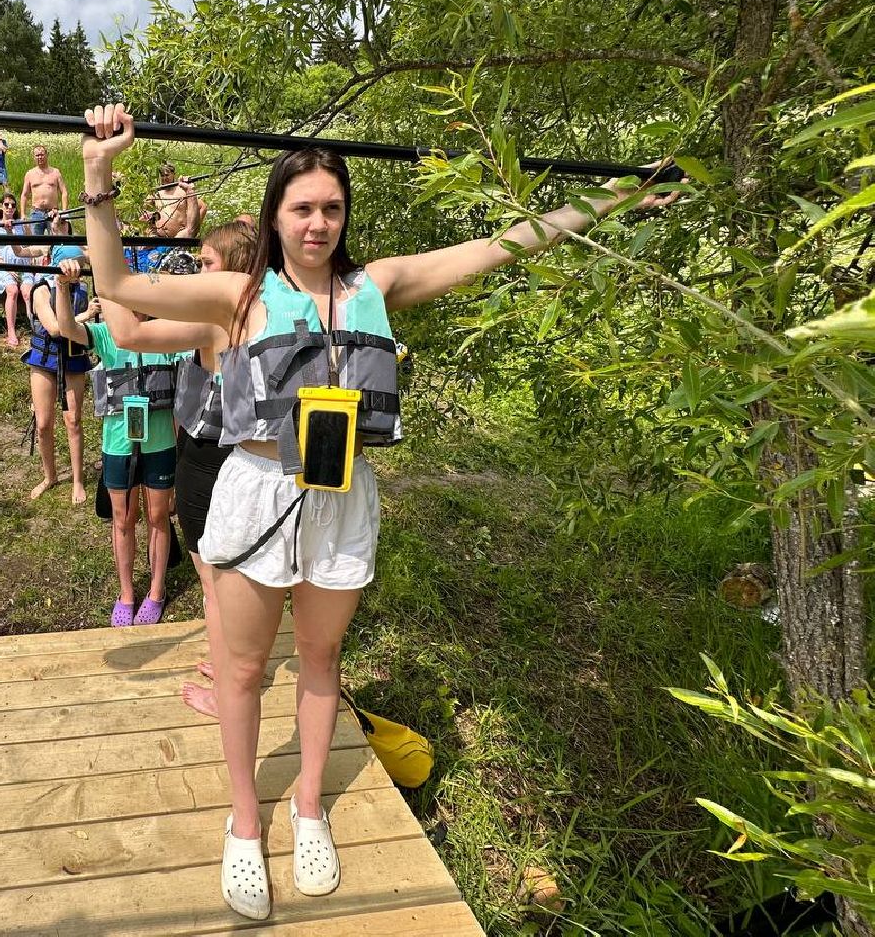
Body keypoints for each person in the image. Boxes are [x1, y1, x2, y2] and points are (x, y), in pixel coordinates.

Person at [76, 102, 677, 920]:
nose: (318, 223)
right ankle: (245, 823)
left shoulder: (376, 285)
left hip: (340, 497)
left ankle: (309, 809)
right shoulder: (236, 294)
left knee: (321, 664)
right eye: (301, 208)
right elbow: (115, 287)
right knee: (246, 671)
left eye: (331, 207)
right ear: (275, 215)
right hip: (256, 493)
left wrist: (612, 197)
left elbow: (501, 247)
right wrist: (99, 177)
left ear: (345, 212)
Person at [101, 222, 257, 718]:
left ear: (233, 273)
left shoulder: (221, 320)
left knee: (214, 574)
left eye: (208, 264)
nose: (197, 273)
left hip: (214, 456)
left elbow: (129, 328)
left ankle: (232, 687)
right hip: (208, 449)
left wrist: (104, 268)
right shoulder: (241, 314)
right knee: (222, 570)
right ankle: (231, 660)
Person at [50, 259, 178, 628]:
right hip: (118, 444)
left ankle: (156, 591)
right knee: (123, 519)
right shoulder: (107, 333)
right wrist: (62, 287)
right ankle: (126, 593)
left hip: (161, 444)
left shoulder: (169, 334)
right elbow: (67, 328)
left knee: (157, 517)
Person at [22, 244, 96, 504]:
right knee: (43, 424)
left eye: (79, 264)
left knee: (73, 420)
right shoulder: (42, 289)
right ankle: (49, 476)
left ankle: (77, 480)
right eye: (71, 264)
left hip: (74, 358)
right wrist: (86, 315)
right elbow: (54, 329)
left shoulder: (85, 289)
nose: (76, 270)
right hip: (44, 359)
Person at [0, 193, 35, 348]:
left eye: (13, 205)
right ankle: (11, 331)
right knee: (12, 291)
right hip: (3, 266)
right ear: (1, 206)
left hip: (22, 264)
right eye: (6, 204)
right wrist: (6, 268)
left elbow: (30, 245)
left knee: (28, 292)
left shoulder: (22, 225)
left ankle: (35, 326)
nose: (10, 208)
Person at [18, 144, 68, 236]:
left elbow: (64, 192)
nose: (39, 157)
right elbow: (24, 195)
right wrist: (23, 214)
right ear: (34, 157)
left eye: (42, 154)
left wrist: (64, 211)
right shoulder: (30, 174)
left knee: (55, 240)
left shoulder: (56, 172)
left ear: (46, 155)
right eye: (37, 155)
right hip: (36, 212)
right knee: (36, 243)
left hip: (53, 212)